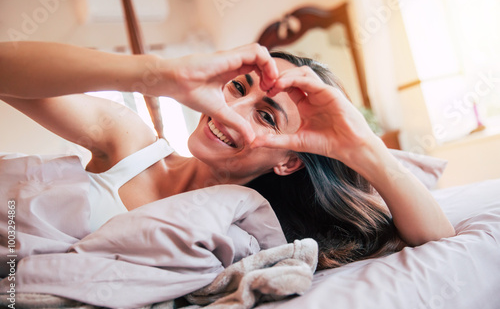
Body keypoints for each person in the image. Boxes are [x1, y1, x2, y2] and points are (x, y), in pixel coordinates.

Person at [0, 41, 455, 270]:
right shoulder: (130, 142)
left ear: (289, 160)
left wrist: (366, 148)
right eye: (238, 88)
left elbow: (439, 241)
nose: (232, 112)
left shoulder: (251, 238)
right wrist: (157, 75)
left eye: (266, 117)